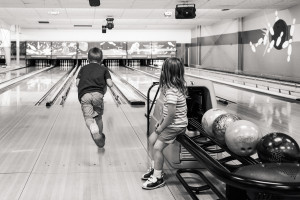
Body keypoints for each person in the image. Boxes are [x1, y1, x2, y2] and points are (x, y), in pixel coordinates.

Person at [142, 57, 188, 190]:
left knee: (157, 148)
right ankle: (154, 167)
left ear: (165, 72)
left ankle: (158, 177)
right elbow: (167, 113)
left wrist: (160, 127)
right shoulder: (173, 87)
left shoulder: (172, 91)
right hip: (171, 123)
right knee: (151, 140)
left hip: (175, 126)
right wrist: (161, 123)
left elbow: (172, 115)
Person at [76, 47, 113, 148]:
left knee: (88, 118)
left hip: (85, 95)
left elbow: (77, 83)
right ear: (101, 59)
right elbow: (110, 84)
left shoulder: (83, 68)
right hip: (98, 95)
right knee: (98, 118)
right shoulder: (104, 69)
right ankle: (99, 135)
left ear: (88, 59)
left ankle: (92, 127)